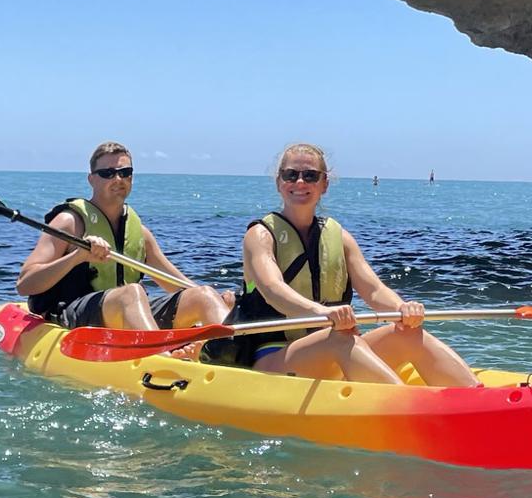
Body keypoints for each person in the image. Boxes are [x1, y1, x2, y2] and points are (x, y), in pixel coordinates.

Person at [203, 143, 479, 386]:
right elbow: (273, 288)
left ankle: (477, 399)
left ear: (324, 184)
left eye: (310, 175)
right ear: (279, 182)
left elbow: (372, 290)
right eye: (291, 175)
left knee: (409, 334)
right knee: (339, 339)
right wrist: (321, 312)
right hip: (272, 358)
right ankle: (412, 409)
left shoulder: (340, 237)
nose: (300, 182)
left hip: (331, 346)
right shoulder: (260, 235)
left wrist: (402, 309)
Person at [15, 142, 230, 332]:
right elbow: (25, 284)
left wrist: (218, 298)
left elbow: (173, 282)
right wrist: (78, 256)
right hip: (76, 313)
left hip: (125, 310)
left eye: (125, 172)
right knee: (132, 293)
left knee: (203, 294)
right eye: (108, 173)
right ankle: (160, 359)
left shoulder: (141, 233)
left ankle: (231, 354)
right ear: (92, 179)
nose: (118, 179)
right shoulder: (69, 222)